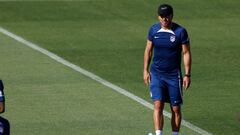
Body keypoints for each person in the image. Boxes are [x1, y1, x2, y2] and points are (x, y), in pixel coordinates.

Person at [143, 4, 191, 135]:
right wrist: (145, 70)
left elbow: (186, 53)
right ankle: (159, 134)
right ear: (158, 17)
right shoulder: (153, 30)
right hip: (157, 74)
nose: (164, 19)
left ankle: (175, 134)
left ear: (172, 16)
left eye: (167, 16)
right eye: (162, 16)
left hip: (173, 76)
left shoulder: (180, 32)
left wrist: (187, 74)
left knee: (175, 108)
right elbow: (148, 50)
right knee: (158, 105)